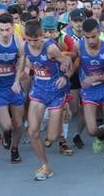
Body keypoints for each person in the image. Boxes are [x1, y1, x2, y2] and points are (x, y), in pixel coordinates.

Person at [21, 19, 74, 181]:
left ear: (42, 35)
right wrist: (20, 78)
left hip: (56, 92)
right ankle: (45, 166)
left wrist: (65, 77)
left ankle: (64, 110)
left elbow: (69, 64)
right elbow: (25, 64)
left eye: (36, 40)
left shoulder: (51, 48)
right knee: (33, 131)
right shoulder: (25, 47)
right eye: (29, 40)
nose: (33, 43)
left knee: (52, 137)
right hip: (38, 91)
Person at [76, 17, 104, 174]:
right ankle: (100, 137)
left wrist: (96, 77)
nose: (90, 40)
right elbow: (72, 59)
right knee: (92, 130)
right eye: (87, 37)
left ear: (99, 33)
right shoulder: (79, 47)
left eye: (93, 36)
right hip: (89, 91)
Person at [0, 12, 27, 164]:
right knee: (7, 125)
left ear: (13, 27)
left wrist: (18, 80)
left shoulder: (17, 40)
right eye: (1, 30)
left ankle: (15, 150)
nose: (4, 33)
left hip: (13, 86)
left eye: (7, 29)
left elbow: (22, 59)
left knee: (18, 123)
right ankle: (6, 133)